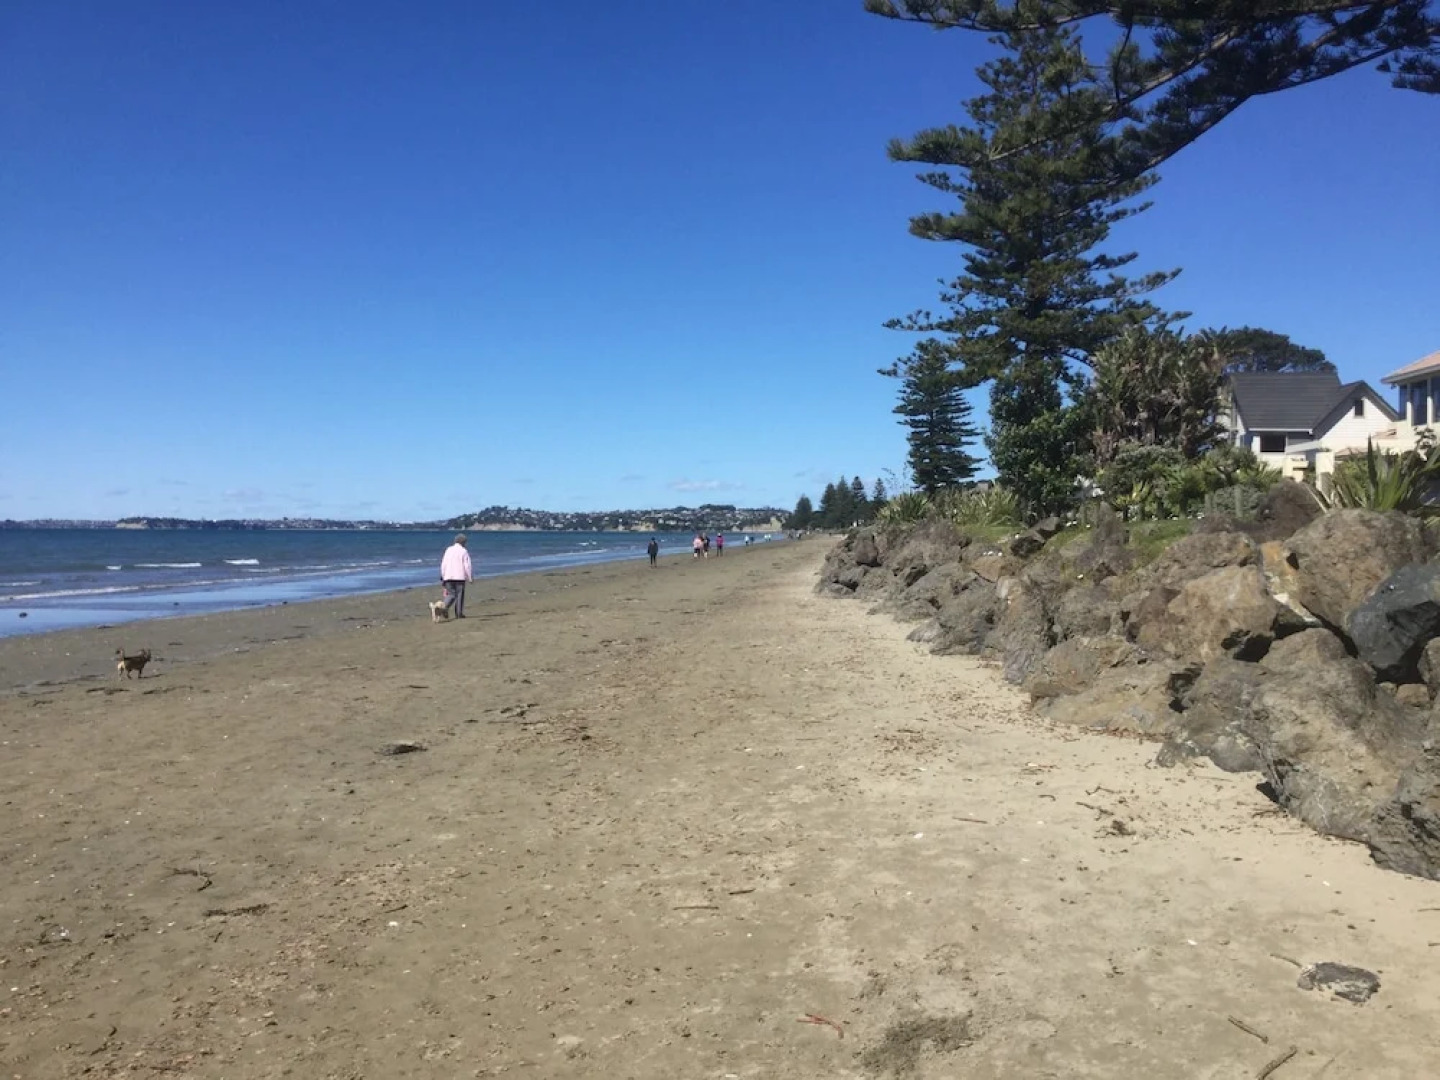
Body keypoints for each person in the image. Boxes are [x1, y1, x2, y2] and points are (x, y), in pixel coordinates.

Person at [440, 533, 473, 618]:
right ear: (464, 542)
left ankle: (444, 607)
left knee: (451, 593)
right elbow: (467, 565)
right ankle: (455, 612)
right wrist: (469, 577)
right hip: (459, 576)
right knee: (459, 595)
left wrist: (443, 575)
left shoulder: (448, 550)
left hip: (448, 576)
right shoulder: (463, 551)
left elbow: (444, 564)